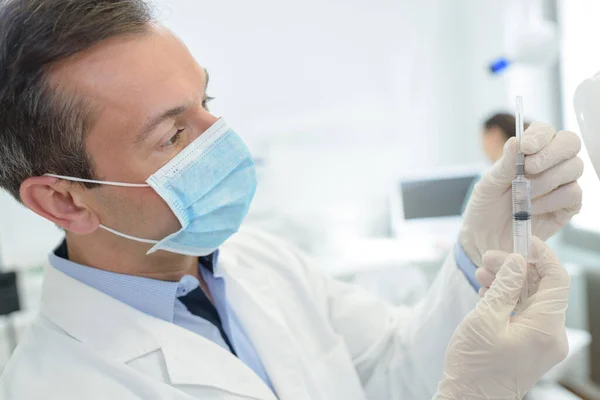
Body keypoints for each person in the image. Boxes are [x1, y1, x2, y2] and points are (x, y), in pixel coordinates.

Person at [0, 1, 583, 399]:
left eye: (208, 98)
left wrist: (479, 246)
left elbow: (389, 367)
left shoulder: (259, 261)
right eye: (174, 135)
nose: (224, 137)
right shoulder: (55, 385)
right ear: (63, 200)